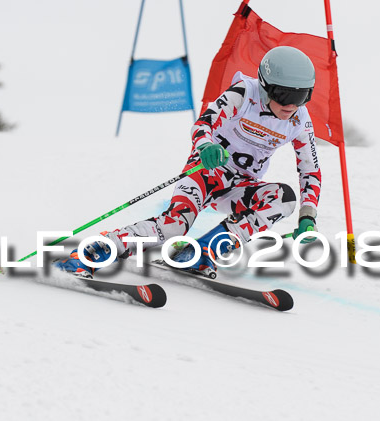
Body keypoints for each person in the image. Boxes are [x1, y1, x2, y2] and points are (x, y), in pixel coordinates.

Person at [55, 46, 321, 279]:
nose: (292, 105)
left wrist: (307, 217)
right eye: (284, 95)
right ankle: (92, 251)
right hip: (206, 172)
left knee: (284, 199)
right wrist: (205, 144)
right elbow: (203, 124)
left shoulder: (300, 121)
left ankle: (205, 249)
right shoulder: (244, 93)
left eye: (302, 96)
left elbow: (310, 169)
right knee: (173, 228)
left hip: (239, 187)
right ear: (265, 86)